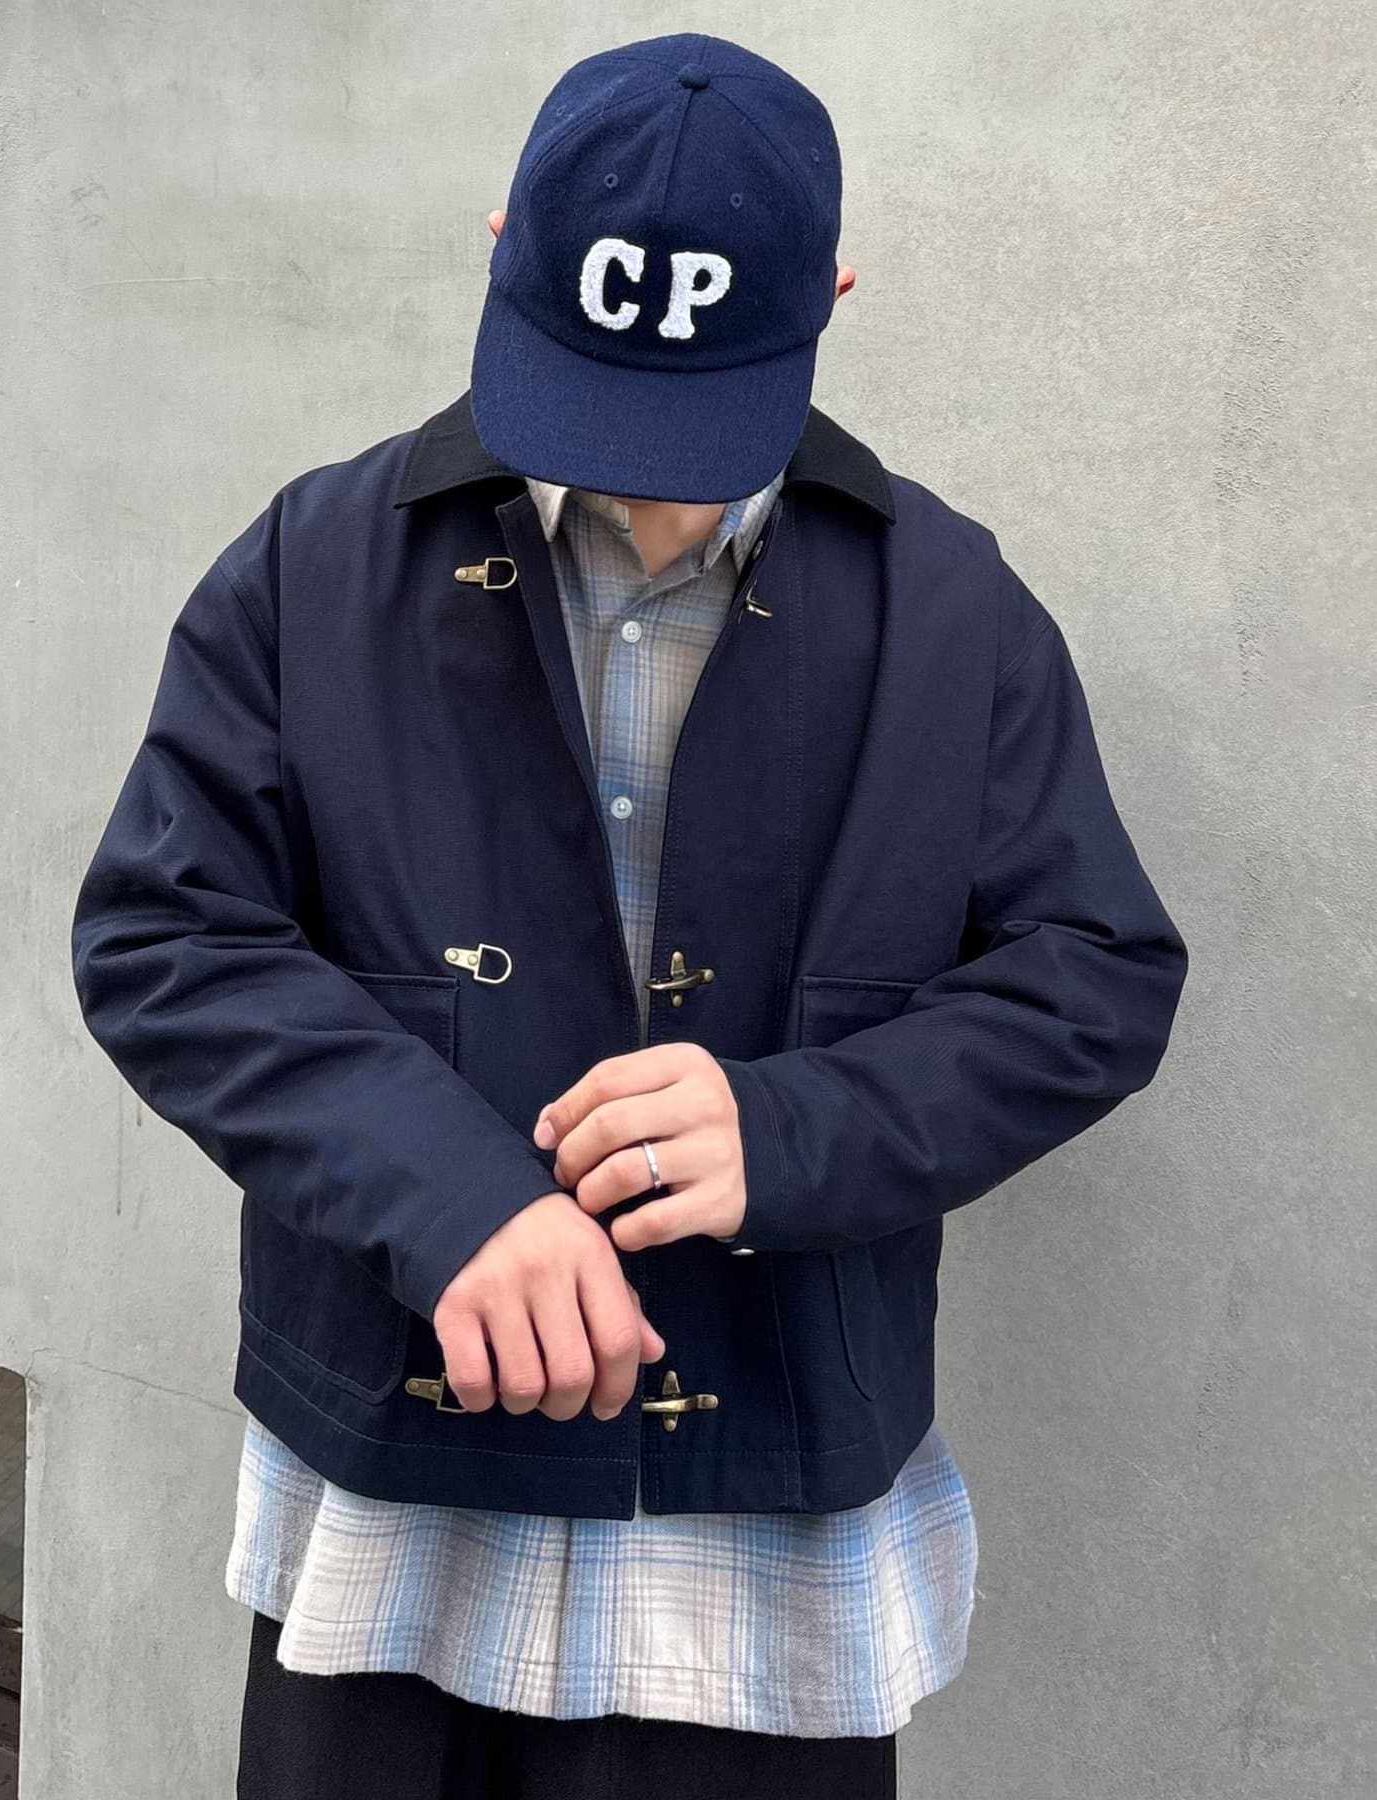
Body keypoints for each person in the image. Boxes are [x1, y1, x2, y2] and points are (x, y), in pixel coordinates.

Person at [70, 31, 1189, 1800]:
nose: (654, 477)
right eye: (595, 400)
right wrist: (444, 1194)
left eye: (704, 414)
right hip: (395, 1485)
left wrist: (795, 1126)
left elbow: (1095, 977)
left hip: (766, 1521)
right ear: (498, 243)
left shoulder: (954, 612)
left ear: (830, 296)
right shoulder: (315, 563)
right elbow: (164, 937)